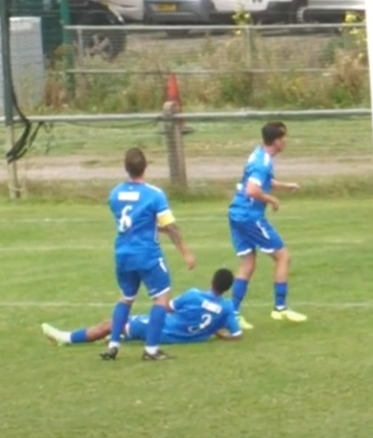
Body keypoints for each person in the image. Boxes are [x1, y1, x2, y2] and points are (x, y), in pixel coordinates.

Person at [102, 148, 196, 361]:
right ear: (145, 167)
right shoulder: (154, 194)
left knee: (126, 298)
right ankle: (151, 349)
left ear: (126, 168)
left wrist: (150, 226)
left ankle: (113, 344)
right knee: (161, 298)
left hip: (123, 253)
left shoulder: (115, 193)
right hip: (147, 255)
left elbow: (133, 220)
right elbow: (170, 227)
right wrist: (186, 253)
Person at [228, 121, 306, 330]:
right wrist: (271, 199)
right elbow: (252, 190)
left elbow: (261, 182)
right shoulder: (263, 162)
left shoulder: (258, 154)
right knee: (283, 256)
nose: (286, 141)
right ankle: (280, 308)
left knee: (247, 264)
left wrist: (285, 186)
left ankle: (232, 314)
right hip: (249, 216)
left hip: (237, 212)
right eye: (285, 137)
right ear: (277, 140)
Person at [41, 269, 242, 346]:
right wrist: (218, 333)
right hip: (182, 336)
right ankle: (115, 337)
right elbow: (237, 334)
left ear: (212, 280)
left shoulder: (193, 295)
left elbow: (166, 308)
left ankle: (65, 339)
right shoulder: (226, 308)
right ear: (227, 288)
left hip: (162, 329)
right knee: (122, 328)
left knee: (111, 323)